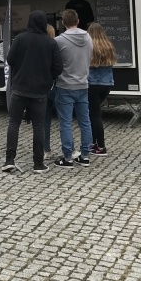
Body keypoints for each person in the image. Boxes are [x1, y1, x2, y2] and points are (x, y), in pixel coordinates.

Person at [2, 10, 63, 174]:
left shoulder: (20, 39)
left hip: (20, 88)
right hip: (40, 91)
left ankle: (9, 160)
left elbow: (10, 59)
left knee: (14, 122)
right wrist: (47, 78)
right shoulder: (51, 43)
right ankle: (38, 163)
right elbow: (58, 68)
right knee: (38, 126)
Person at [53, 9, 94, 169]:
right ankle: (85, 156)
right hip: (83, 84)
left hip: (64, 85)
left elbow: (55, 64)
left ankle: (68, 157)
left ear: (62, 23)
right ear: (78, 21)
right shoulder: (88, 37)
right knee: (85, 121)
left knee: (65, 123)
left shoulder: (59, 41)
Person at [87, 22, 115, 156]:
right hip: (107, 84)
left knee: (94, 116)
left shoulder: (89, 46)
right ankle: (94, 143)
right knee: (95, 114)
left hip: (92, 84)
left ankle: (101, 146)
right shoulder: (108, 46)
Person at [43, 14, 58, 159]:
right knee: (65, 119)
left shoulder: (39, 47)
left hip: (42, 87)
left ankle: (45, 149)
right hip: (56, 86)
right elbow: (58, 67)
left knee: (44, 119)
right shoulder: (55, 46)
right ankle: (69, 149)